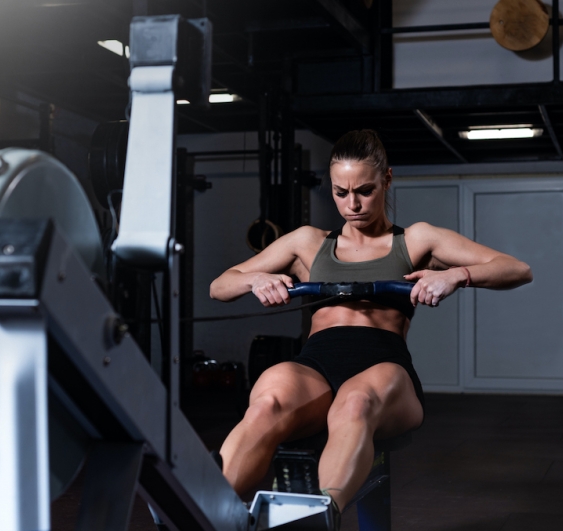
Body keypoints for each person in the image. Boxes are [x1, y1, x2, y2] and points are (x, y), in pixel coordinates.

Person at [208, 129, 532, 524]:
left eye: (364, 190)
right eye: (341, 192)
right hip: (316, 365)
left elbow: (517, 268)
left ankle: (316, 519)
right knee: (267, 403)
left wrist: (456, 275)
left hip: (384, 365)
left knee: (356, 403)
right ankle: (205, 510)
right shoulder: (307, 243)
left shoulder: (416, 240)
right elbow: (220, 286)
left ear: (387, 180)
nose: (353, 204)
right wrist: (254, 280)